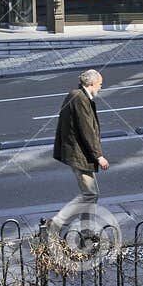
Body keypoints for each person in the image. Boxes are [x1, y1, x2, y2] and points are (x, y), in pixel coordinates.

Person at [52, 69, 108, 223]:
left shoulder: (79, 96)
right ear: (91, 83)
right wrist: (99, 155)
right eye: (100, 84)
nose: (100, 88)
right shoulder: (79, 98)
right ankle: (58, 221)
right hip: (78, 153)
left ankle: (86, 225)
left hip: (80, 152)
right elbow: (86, 129)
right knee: (90, 193)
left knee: (92, 193)